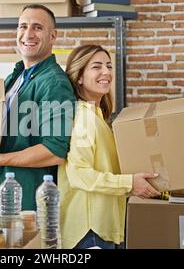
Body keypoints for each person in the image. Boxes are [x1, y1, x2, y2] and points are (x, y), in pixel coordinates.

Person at [0, 4, 76, 210]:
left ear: (53, 36)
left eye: (37, 27)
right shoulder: (16, 76)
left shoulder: (54, 83)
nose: (28, 34)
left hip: (20, 202)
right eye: (23, 26)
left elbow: (55, 150)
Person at [59, 44, 161, 249]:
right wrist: (130, 183)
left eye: (108, 66)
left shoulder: (98, 117)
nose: (106, 72)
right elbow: (79, 174)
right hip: (90, 230)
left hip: (104, 226)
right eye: (96, 67)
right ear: (79, 76)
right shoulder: (83, 118)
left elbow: (105, 171)